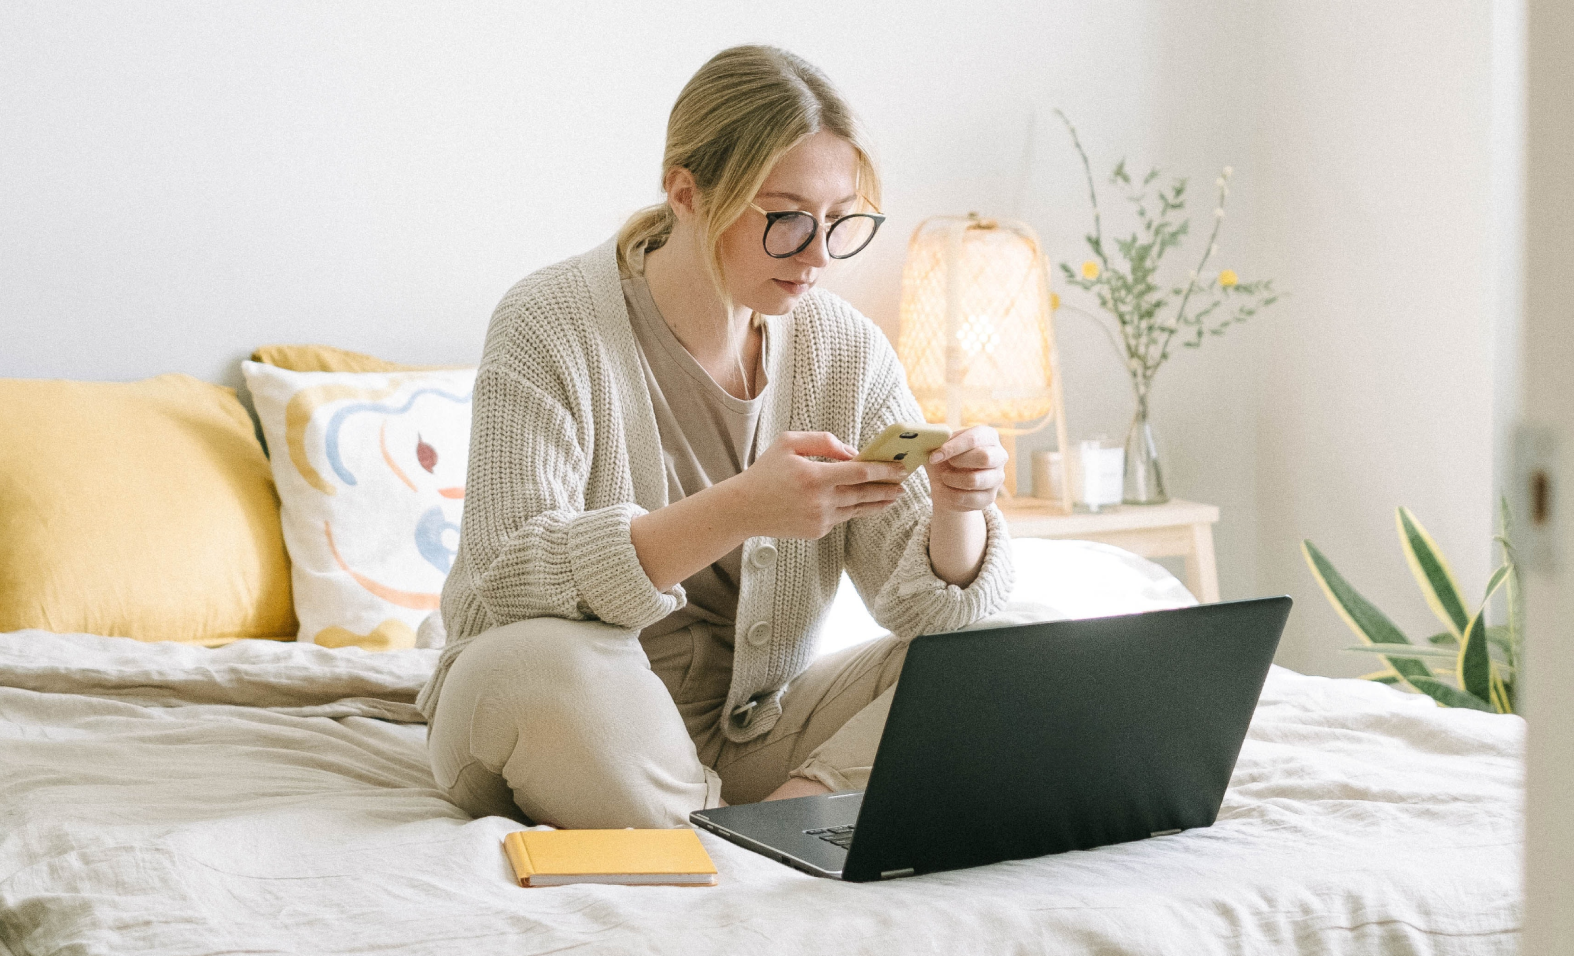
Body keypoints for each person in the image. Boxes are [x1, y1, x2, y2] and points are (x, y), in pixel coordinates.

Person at [418, 44, 1014, 829]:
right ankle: (740, 829)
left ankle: (771, 828)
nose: (818, 257)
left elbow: (932, 619)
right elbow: (507, 577)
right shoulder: (549, 322)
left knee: (1006, 649)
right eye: (788, 218)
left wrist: (956, 509)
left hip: (755, 729)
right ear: (687, 193)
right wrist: (738, 509)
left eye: (841, 223)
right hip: (556, 710)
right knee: (544, 663)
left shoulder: (846, 350)